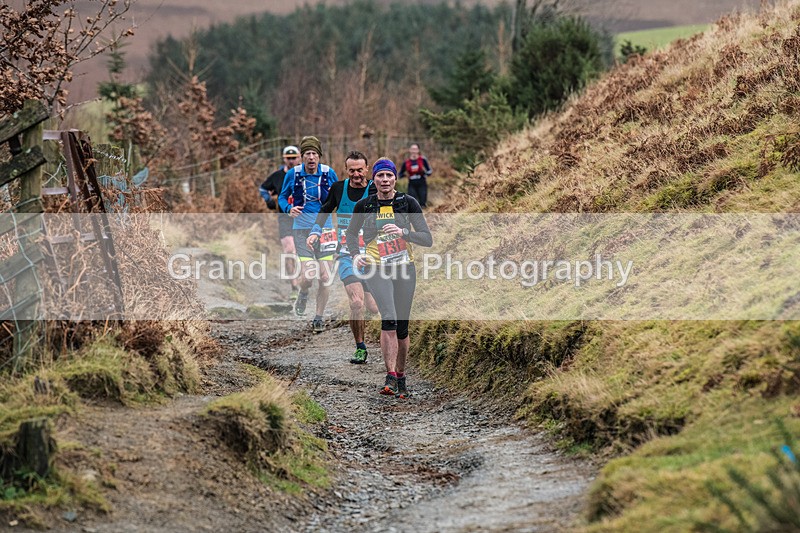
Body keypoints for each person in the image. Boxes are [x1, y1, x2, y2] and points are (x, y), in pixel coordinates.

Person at [346, 158, 432, 399]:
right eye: (380, 176)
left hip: (404, 269)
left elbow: (427, 238)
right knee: (389, 318)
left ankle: (402, 376)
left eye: (389, 176)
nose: (384, 180)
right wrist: (356, 256)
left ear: (395, 178)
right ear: (373, 179)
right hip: (376, 268)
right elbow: (351, 234)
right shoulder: (365, 205)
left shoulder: (408, 202)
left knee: (402, 327)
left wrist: (404, 233)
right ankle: (390, 375)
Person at [307, 151, 379, 364]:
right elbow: (325, 209)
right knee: (357, 303)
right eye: (352, 170)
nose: (356, 174)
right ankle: (360, 347)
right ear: (346, 170)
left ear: (367, 169)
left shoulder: (376, 188)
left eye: (360, 170)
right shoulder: (339, 188)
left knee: (373, 307)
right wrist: (315, 231)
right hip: (348, 254)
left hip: (374, 255)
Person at [278, 136, 339, 333]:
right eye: (307, 154)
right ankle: (303, 292)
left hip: (325, 229)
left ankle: (319, 317)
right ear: (302, 157)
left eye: (314, 154)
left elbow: (339, 196)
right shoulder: (294, 174)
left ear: (319, 156)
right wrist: (288, 208)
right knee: (308, 276)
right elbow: (281, 196)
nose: (311, 157)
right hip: (302, 229)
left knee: (325, 276)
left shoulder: (329, 173)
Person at [260, 145, 302, 301]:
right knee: (289, 250)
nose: (291, 161)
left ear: (299, 158)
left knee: (304, 252)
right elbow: (263, 189)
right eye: (288, 158)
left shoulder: (305, 174)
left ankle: (304, 281)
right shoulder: (277, 176)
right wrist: (268, 200)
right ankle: (294, 285)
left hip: (303, 218)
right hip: (285, 217)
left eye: (294, 158)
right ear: (284, 159)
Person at [397, 143, 432, 209]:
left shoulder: (423, 160)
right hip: (412, 183)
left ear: (418, 150)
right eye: (412, 149)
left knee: (422, 203)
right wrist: (404, 175)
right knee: (412, 202)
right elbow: (400, 174)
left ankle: (423, 217)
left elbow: (429, 171)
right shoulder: (406, 162)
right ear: (410, 150)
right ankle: (413, 218)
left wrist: (425, 173)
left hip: (422, 182)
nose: (414, 151)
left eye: (415, 149)